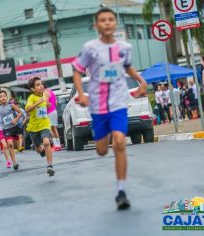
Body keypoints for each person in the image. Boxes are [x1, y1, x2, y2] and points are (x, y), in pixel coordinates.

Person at [72, 8, 147, 210]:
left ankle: (121, 191)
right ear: (97, 25)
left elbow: (127, 67)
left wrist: (141, 80)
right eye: (102, 20)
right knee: (102, 150)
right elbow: (77, 72)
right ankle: (103, 135)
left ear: (115, 23)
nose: (107, 23)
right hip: (97, 105)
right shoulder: (90, 48)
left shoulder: (124, 47)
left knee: (120, 142)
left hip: (118, 103)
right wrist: (80, 93)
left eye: (110, 19)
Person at [25, 77, 55, 177]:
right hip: (33, 127)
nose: (41, 86)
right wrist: (38, 102)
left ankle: (50, 166)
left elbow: (46, 105)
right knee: (38, 149)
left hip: (45, 124)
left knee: (46, 142)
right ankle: (42, 150)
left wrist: (48, 104)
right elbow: (27, 109)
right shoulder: (31, 98)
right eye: (37, 85)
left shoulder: (45, 94)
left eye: (41, 84)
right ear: (33, 89)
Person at [0, 90, 23, 170]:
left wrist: (15, 119)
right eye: (1, 97)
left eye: (4, 96)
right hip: (6, 129)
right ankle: (14, 162)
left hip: (14, 127)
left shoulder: (11, 105)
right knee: (10, 144)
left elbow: (20, 113)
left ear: (7, 97)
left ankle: (16, 149)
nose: (3, 98)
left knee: (16, 145)